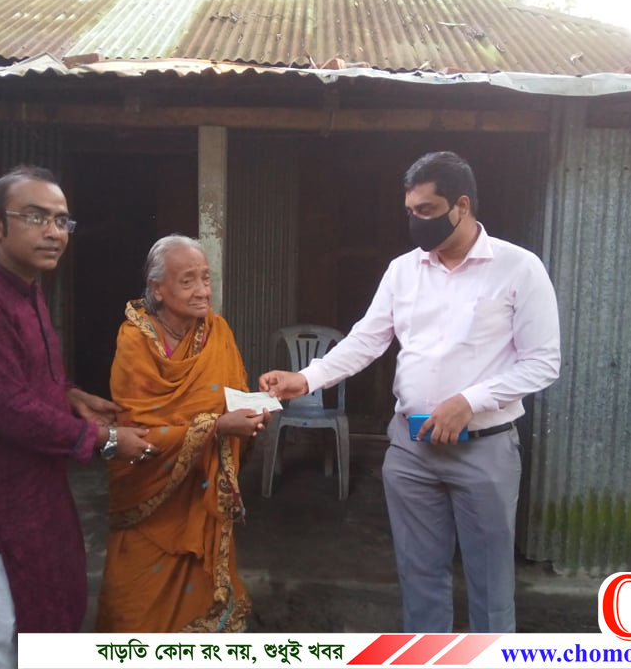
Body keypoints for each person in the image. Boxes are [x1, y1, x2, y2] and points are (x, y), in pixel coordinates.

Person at [260, 151, 561, 633]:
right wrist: (308, 378)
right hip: (410, 448)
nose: (416, 222)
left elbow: (542, 362)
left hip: (483, 451)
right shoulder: (403, 270)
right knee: (419, 581)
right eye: (410, 211)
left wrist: (469, 401)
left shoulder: (518, 268)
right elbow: (367, 340)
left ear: (461, 206)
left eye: (426, 210)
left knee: (490, 587)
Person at [0, 166, 150, 668]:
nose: (53, 232)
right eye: (35, 217)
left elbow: (21, 379)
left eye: (62, 221)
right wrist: (106, 440)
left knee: (42, 628)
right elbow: (10, 409)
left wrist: (69, 395)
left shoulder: (26, 287)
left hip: (36, 501)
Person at [95, 234, 269, 633]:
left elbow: (233, 399)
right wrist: (217, 426)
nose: (203, 291)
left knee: (202, 600)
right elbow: (137, 429)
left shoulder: (218, 332)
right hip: (149, 498)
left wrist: (251, 418)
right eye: (188, 281)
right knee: (134, 611)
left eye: (206, 278)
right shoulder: (134, 341)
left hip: (200, 496)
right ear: (157, 289)